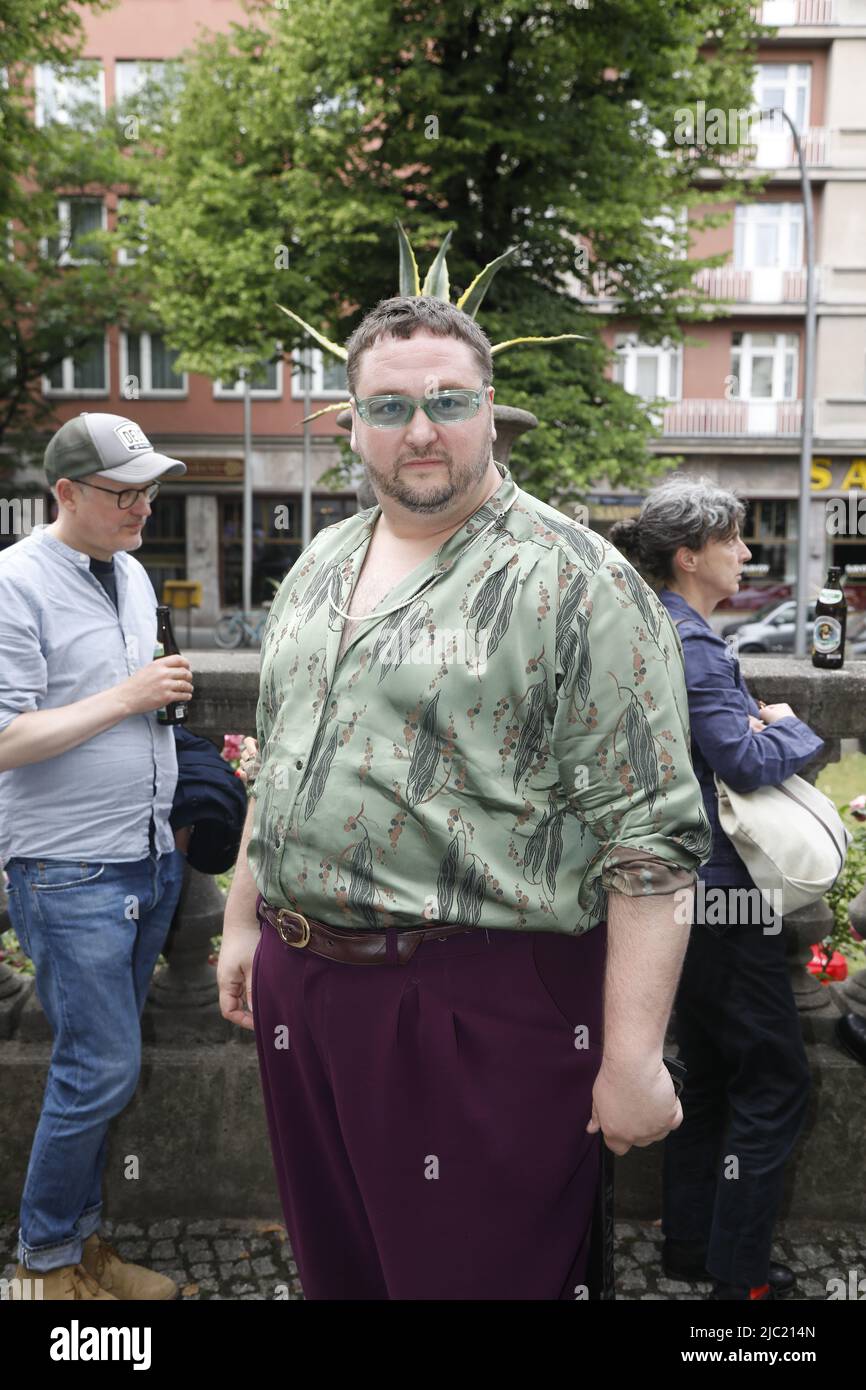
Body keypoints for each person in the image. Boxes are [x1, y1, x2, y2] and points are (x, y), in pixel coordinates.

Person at [217, 295, 714, 1301]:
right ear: (350, 422)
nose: (421, 428)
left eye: (447, 399)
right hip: (304, 988)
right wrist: (241, 921)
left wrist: (629, 1058)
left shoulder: (573, 581)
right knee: (339, 1273)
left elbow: (650, 838)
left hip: (475, 1003)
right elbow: (281, 759)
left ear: (489, 410)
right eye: (388, 405)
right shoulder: (316, 565)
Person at [611, 477, 824, 1302]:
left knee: (705, 1075)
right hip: (722, 892)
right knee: (774, 1081)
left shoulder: (649, 628)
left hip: (670, 892)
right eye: (733, 540)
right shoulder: (693, 643)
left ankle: (691, 1245)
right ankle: (741, 1276)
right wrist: (793, 728)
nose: (746, 553)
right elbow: (742, 760)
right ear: (688, 555)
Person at [0, 412, 194, 1301]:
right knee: (101, 1067)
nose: (143, 506)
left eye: (148, 488)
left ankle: (85, 1249)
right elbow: (7, 736)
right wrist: (128, 697)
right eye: (123, 492)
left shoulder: (130, 574)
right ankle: (43, 1264)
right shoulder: (14, 580)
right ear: (65, 493)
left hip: (146, 856)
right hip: (68, 865)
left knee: (97, 1069)